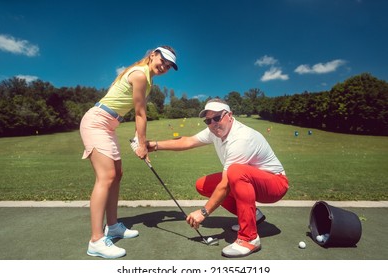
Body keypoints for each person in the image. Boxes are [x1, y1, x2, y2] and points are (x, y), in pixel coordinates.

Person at [145, 98, 288, 258]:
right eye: (208, 120)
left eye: (217, 117)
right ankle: (253, 215)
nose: (213, 123)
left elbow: (226, 184)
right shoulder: (214, 130)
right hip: (252, 179)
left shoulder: (241, 138)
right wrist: (154, 145)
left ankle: (249, 238)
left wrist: (203, 212)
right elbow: (188, 141)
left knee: (235, 172)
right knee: (203, 185)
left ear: (229, 115)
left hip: (275, 185)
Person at [79, 46, 178, 259]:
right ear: (153, 55)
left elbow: (137, 113)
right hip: (97, 123)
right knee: (106, 177)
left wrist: (138, 140)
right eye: (163, 61)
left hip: (109, 125)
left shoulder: (146, 77)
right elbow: (141, 114)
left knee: (117, 175)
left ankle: (113, 226)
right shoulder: (140, 75)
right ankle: (96, 240)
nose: (165, 66)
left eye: (169, 66)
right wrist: (141, 144)